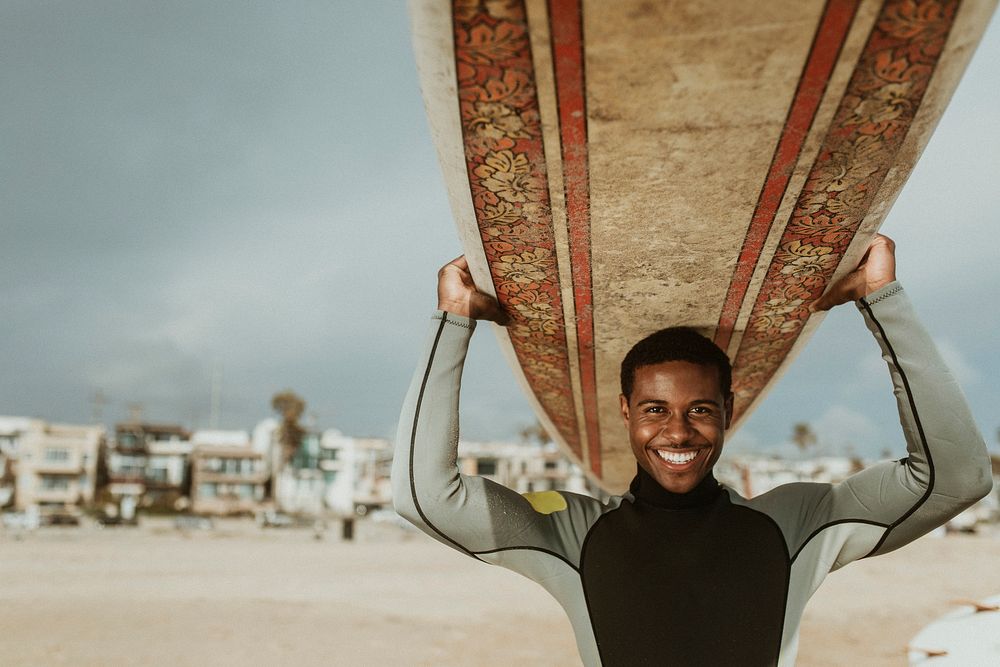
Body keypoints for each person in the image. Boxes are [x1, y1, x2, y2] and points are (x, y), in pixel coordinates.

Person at [392, 234, 992, 666]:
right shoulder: (570, 534)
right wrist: (452, 321)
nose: (678, 433)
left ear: (728, 412)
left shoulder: (794, 522)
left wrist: (883, 299)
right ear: (626, 412)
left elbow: (956, 477)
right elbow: (424, 496)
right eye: (655, 410)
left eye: (699, 410)